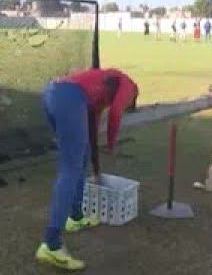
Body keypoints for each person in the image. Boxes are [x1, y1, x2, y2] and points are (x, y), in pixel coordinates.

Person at [35, 68, 139, 271]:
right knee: (69, 169)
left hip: (52, 93)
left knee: (81, 157)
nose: (125, 103)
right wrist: (111, 146)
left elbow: (91, 128)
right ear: (133, 95)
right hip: (66, 97)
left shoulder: (97, 94)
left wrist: (96, 161)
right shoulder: (128, 84)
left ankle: (75, 217)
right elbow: (116, 113)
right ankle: (51, 244)